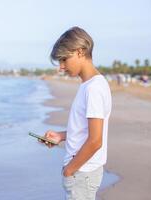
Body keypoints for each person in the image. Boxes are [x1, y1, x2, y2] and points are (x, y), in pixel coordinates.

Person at [39, 26, 112, 200]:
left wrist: (70, 170)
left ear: (80, 52)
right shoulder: (90, 85)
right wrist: (61, 136)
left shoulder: (93, 88)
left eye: (64, 60)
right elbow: (86, 131)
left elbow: (95, 141)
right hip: (82, 172)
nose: (61, 67)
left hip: (82, 173)